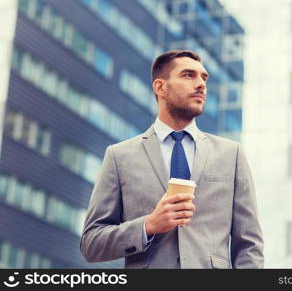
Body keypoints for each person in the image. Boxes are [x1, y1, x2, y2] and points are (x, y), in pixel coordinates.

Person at [80, 50, 264, 268]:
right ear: (160, 87)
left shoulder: (231, 154)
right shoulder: (120, 156)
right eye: (188, 75)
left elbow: (249, 245)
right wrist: (148, 225)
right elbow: (92, 243)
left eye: (203, 78)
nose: (201, 84)